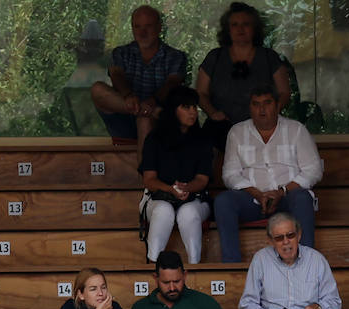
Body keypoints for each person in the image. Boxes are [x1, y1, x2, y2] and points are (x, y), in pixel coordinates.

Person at [214, 86, 323, 263]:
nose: (262, 109)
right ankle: (231, 265)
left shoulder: (296, 129)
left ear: (278, 105)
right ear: (250, 107)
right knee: (223, 201)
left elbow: (313, 170)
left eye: (267, 103)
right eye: (256, 104)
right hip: (252, 199)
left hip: (288, 198)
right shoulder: (237, 132)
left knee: (303, 198)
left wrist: (281, 191)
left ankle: (307, 264)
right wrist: (258, 193)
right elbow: (229, 174)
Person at [195, 2, 291, 149]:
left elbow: (284, 92)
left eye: (246, 24)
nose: (240, 29)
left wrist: (270, 113)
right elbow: (200, 92)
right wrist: (213, 113)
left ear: (254, 28)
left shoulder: (268, 57)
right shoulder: (215, 57)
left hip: (261, 126)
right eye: (234, 24)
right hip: (221, 127)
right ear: (228, 29)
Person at [89, 5, 187, 148]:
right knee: (97, 89)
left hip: (159, 124)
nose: (142, 32)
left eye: (148, 26)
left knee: (145, 121)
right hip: (126, 118)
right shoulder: (121, 53)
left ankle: (143, 169)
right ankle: (146, 111)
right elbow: (116, 75)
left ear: (159, 28)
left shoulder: (175, 56)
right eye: (137, 27)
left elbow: (172, 84)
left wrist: (153, 102)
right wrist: (129, 96)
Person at [139, 86, 213, 264]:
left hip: (194, 197)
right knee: (164, 211)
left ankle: (194, 269)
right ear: (173, 110)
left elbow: (202, 180)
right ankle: (153, 266)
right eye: (186, 107)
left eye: (195, 107)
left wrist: (186, 188)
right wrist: (171, 190)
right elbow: (149, 180)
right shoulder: (155, 139)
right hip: (158, 197)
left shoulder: (202, 139)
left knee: (188, 213)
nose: (193, 112)